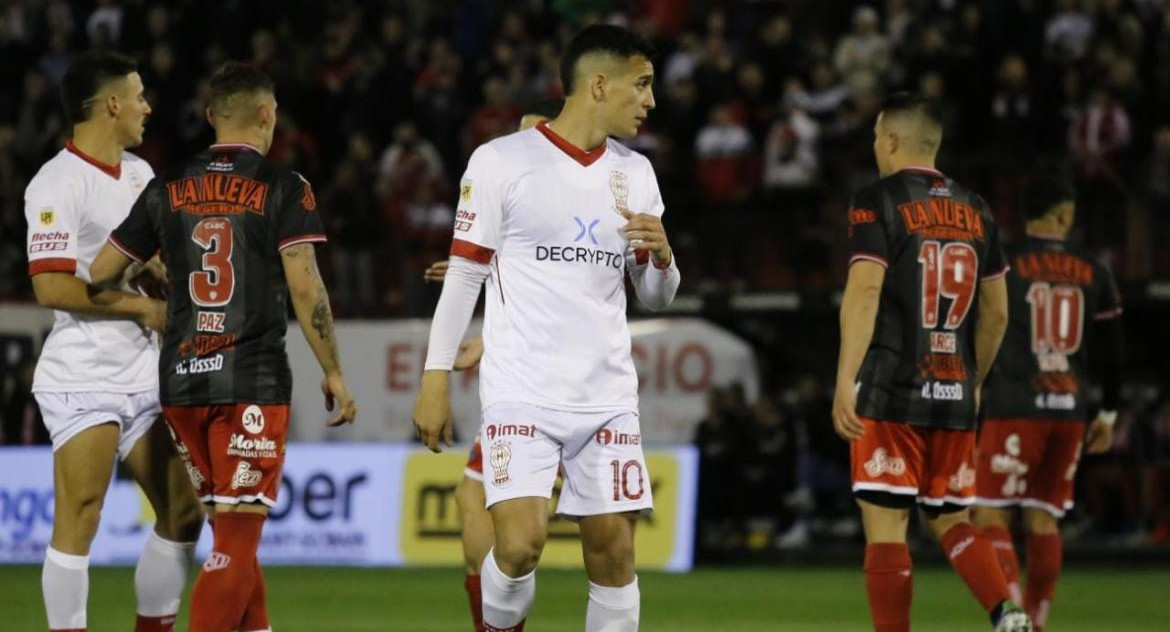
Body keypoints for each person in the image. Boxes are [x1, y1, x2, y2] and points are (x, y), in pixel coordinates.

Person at [413, 24, 678, 632]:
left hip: (607, 397)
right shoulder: (502, 160)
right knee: (519, 546)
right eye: (641, 85)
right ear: (598, 84)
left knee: (614, 555)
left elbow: (658, 297)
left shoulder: (635, 173)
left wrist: (663, 259)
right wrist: (433, 380)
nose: (650, 100)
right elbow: (463, 275)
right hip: (522, 392)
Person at [89, 62, 357, 632]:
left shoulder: (168, 185)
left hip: (182, 380)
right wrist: (333, 369)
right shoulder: (284, 186)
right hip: (250, 380)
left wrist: (155, 267)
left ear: (211, 117)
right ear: (267, 114)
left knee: (231, 531)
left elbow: (102, 270)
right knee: (236, 537)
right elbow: (305, 284)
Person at [831, 92, 1032, 632]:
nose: (874, 144)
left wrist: (846, 378)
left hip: (892, 388)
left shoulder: (877, 200)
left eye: (876, 134)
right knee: (951, 518)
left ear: (893, 139)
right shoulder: (977, 207)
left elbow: (865, 291)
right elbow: (997, 313)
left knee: (887, 526)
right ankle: (1007, 608)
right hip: (956, 390)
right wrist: (975, 378)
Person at [23, 50, 203, 632]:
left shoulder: (140, 175)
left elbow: (144, 258)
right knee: (82, 514)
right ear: (111, 104)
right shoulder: (56, 182)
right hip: (83, 373)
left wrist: (164, 276)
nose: (149, 107)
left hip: (143, 371)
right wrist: (141, 307)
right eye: (140, 94)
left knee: (184, 512)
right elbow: (52, 287)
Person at [422, 96, 564, 632]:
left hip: (559, 382)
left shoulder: (581, 193)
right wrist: (486, 333)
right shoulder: (528, 213)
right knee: (473, 498)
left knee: (525, 535)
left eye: (534, 135)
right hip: (526, 370)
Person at [974, 175, 1124, 631]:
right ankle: (1037, 621)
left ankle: (1013, 616)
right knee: (1044, 518)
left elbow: (986, 321)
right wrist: (1109, 412)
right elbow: (1113, 352)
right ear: (1063, 215)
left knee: (990, 512)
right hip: (1070, 410)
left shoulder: (1006, 262)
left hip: (1015, 403)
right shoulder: (1095, 271)